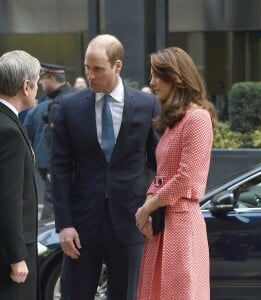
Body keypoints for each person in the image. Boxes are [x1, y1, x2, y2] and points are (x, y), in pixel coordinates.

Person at [51, 34, 160, 300]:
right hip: (81, 223)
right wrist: (64, 224)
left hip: (131, 219)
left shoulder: (148, 105)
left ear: (117, 66)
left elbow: (159, 162)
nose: (90, 75)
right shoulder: (69, 106)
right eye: (87, 68)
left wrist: (153, 209)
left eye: (97, 68)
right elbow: (60, 168)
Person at [135, 47, 215, 300]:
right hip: (163, 221)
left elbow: (185, 178)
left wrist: (147, 208)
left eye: (158, 74)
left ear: (176, 76)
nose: (152, 82)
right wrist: (149, 205)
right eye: (151, 74)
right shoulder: (175, 121)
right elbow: (162, 174)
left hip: (181, 222)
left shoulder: (198, 118)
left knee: (180, 293)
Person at [0, 50, 40, 299]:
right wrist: (17, 256)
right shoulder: (9, 131)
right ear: (26, 86)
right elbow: (8, 199)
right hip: (8, 253)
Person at [24, 63, 76, 220]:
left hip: (59, 164)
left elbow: (56, 141)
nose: (40, 83)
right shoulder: (73, 97)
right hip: (69, 164)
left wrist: (54, 168)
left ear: (52, 79)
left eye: (43, 79)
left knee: (53, 198)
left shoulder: (59, 103)